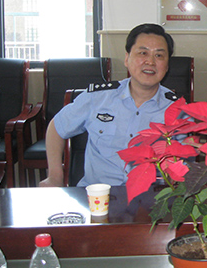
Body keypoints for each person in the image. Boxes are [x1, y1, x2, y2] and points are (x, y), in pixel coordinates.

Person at [39, 23, 179, 188]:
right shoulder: (97, 98)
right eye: (143, 53)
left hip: (151, 197)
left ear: (167, 66)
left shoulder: (177, 110)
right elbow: (57, 127)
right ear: (127, 59)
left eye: (159, 55)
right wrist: (54, 177)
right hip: (97, 195)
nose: (150, 61)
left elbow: (181, 165)